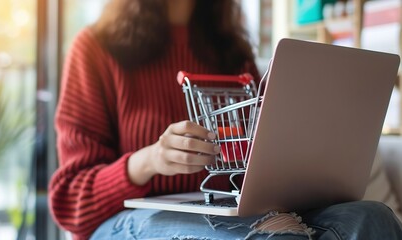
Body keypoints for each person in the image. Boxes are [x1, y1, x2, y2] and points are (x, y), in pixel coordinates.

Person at [48, 0, 402, 239]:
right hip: (126, 220)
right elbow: (69, 201)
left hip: (235, 209)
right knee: (273, 231)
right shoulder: (95, 49)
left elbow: (259, 153)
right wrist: (150, 160)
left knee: (372, 217)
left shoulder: (230, 49)